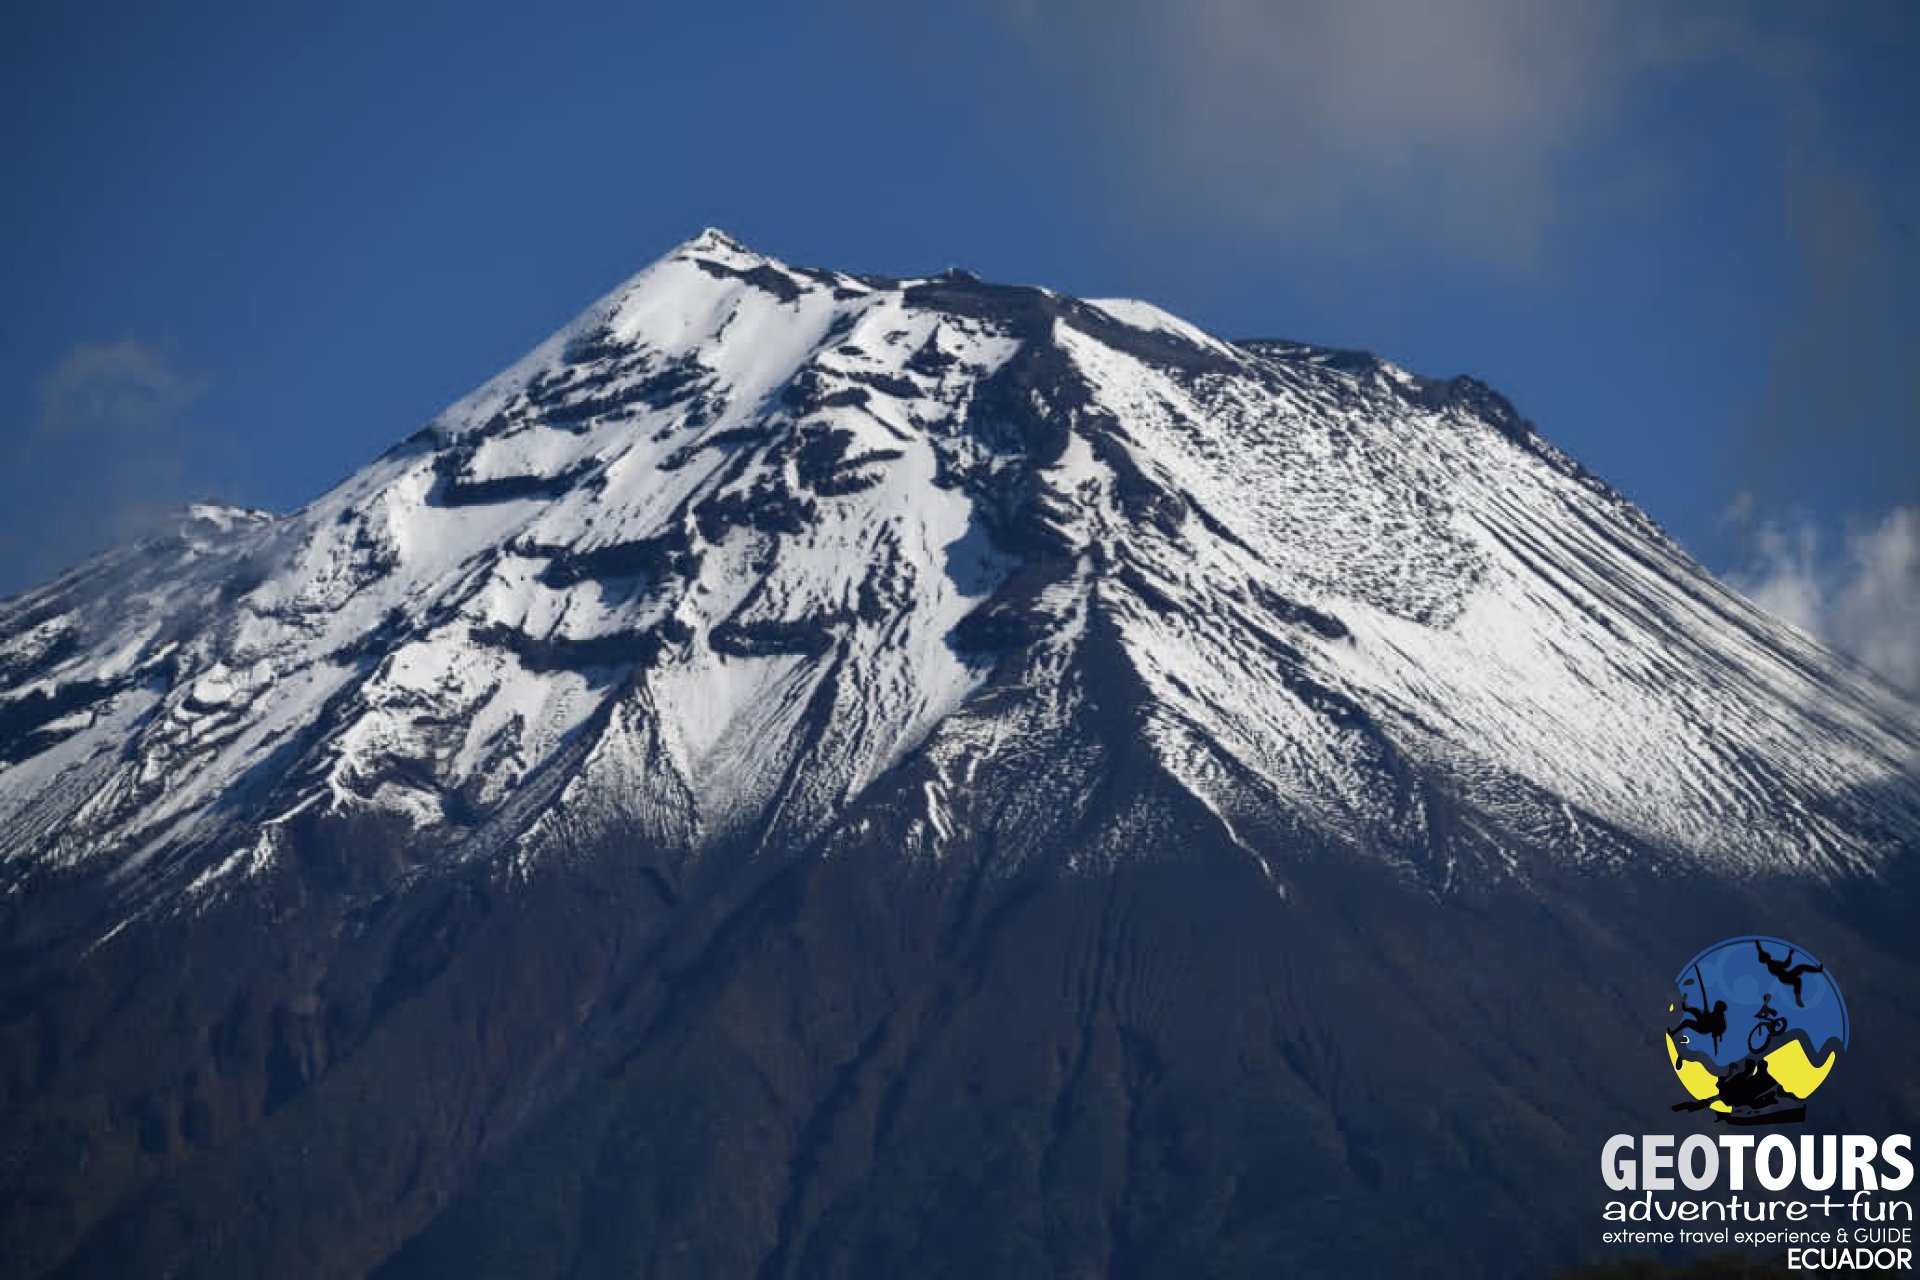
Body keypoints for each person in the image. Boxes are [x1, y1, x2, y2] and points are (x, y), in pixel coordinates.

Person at [1755, 940, 1824, 1007]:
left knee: (1801, 967)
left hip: (1787, 974)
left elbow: (1761, 952)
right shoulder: (1772, 964)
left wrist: (1757, 944)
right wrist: (1790, 954)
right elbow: (1786, 964)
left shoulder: (1772, 963)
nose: (1767, 953)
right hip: (1784, 977)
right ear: (1766, 957)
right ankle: (1798, 998)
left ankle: (1817, 970)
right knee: (1797, 980)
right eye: (1766, 954)